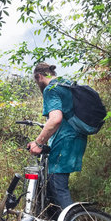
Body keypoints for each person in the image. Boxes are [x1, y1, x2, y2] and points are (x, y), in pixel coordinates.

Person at [27, 62, 87, 210]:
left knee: (57, 186)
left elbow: (55, 119)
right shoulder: (67, 84)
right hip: (77, 139)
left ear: (40, 76)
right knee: (52, 186)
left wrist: (39, 142)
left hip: (64, 142)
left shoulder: (51, 88)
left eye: (37, 81)